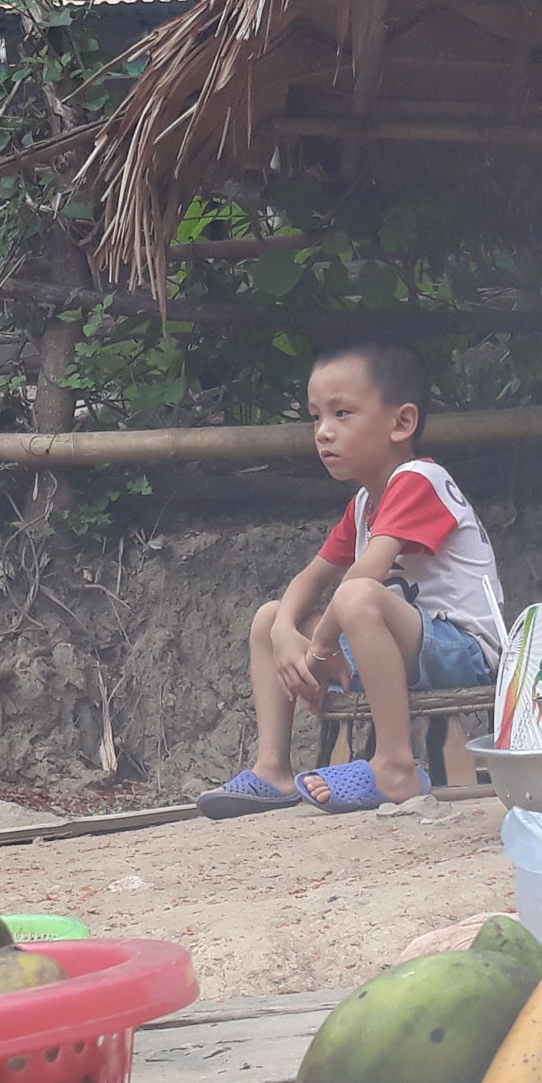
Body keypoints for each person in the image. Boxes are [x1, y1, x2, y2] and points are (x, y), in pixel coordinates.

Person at [199, 344, 507, 818]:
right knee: (267, 618)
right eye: (317, 417)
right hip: (400, 647)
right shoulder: (365, 502)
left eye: (342, 414)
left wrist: (319, 649)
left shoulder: (420, 478)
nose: (323, 432)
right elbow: (312, 576)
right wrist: (284, 634)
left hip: (463, 651)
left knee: (360, 595)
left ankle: (395, 765)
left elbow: (363, 578)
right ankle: (273, 770)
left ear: (401, 424)